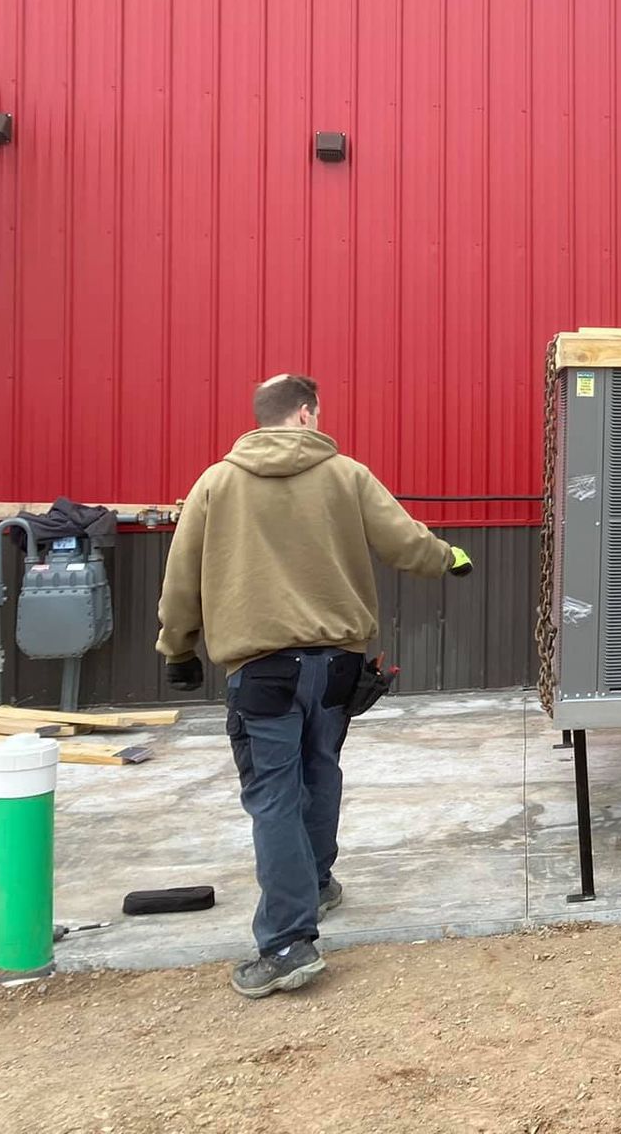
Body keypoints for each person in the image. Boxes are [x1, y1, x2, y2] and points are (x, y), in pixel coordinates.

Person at [155, 374, 472, 998]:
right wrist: (450, 558)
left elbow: (182, 574)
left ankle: (286, 942)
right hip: (336, 667)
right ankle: (317, 885)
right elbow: (404, 541)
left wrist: (178, 648)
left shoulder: (216, 482)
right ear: (305, 415)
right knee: (320, 770)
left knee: (274, 793)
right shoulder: (346, 474)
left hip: (262, 671)